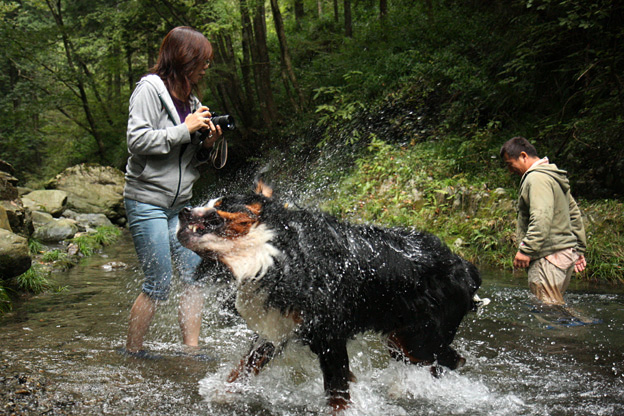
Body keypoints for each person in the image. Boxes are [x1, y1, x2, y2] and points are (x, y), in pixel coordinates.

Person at [122, 26, 223, 357]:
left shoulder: (191, 100)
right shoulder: (149, 90)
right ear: (185, 58)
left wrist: (207, 142)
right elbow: (137, 141)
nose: (206, 66)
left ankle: (191, 350)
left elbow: (189, 157)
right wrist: (185, 129)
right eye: (203, 60)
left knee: (194, 275)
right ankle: (133, 352)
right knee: (158, 283)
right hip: (147, 202)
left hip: (179, 206)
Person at [500, 136, 587, 305]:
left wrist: (526, 249)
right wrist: (579, 249)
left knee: (548, 312)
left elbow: (541, 216)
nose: (511, 170)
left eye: (510, 164)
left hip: (547, 257)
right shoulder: (552, 176)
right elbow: (574, 213)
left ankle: (586, 328)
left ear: (524, 156)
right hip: (564, 256)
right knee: (555, 308)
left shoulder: (536, 178)